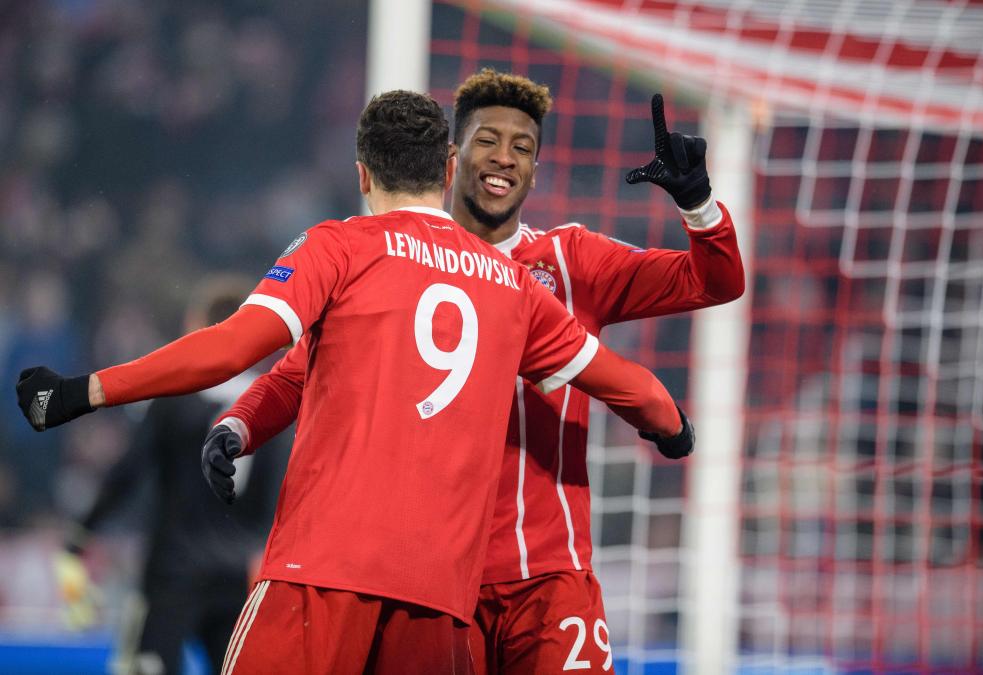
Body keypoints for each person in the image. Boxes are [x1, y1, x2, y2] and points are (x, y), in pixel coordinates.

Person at [16, 89, 690, 675]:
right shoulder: (513, 284)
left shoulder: (340, 246)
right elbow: (633, 386)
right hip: (439, 607)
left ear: (363, 175)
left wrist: (83, 391)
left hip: (321, 580)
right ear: (450, 167)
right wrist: (670, 425)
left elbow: (231, 348)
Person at [205, 70, 744, 673]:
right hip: (434, 583)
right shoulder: (393, 260)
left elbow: (714, 282)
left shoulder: (574, 260)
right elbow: (300, 371)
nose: (505, 160)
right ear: (451, 158)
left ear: (536, 171)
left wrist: (697, 204)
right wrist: (239, 423)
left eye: (523, 149)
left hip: (549, 575)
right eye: (489, 141)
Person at [52, 277, 291, 675]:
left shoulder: (175, 398)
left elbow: (129, 472)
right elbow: (278, 497)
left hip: (173, 574)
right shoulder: (271, 406)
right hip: (237, 575)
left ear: (202, 332)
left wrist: (83, 531)